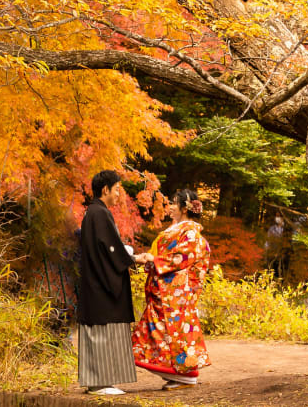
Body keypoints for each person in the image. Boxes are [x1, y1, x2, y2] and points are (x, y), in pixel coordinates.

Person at [77, 169, 153, 396]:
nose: (119, 194)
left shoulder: (94, 212)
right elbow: (111, 250)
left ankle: (98, 381)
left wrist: (127, 256)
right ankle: (100, 383)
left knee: (100, 330)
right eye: (117, 189)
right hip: (100, 284)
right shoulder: (99, 213)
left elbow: (109, 248)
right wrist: (134, 258)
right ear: (105, 189)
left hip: (95, 281)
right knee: (102, 329)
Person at [132, 188, 211, 390]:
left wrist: (154, 259)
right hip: (165, 289)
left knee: (170, 332)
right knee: (164, 332)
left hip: (175, 293)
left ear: (184, 208)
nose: (171, 207)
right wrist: (148, 259)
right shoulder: (177, 229)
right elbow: (164, 255)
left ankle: (184, 374)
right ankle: (181, 373)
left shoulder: (191, 232)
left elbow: (181, 258)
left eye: (174, 203)